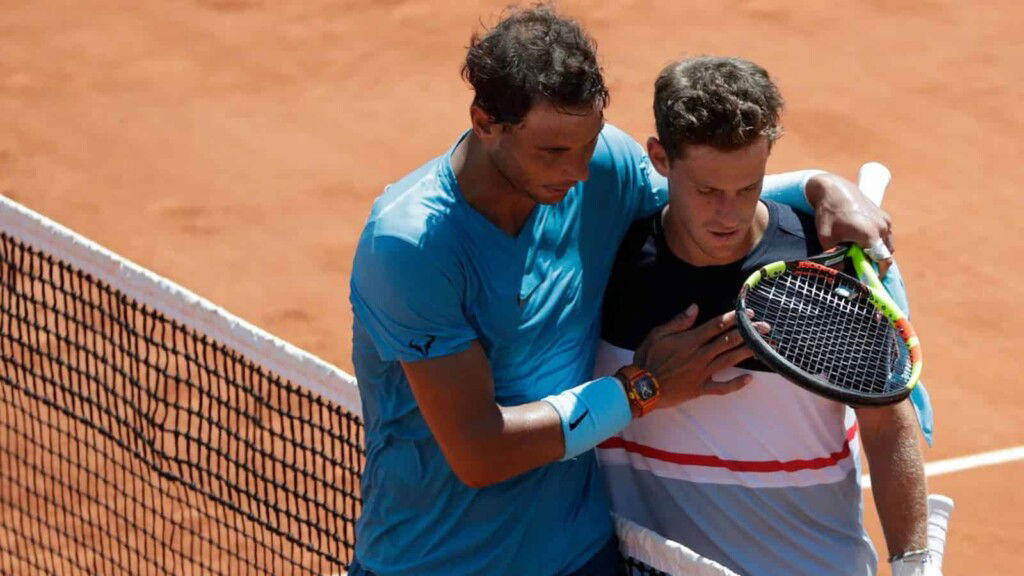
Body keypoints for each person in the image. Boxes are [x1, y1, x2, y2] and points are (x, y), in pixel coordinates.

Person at [348, 6, 895, 576]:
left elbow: (698, 191)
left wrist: (822, 186)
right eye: (552, 152)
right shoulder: (412, 246)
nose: (579, 172)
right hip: (435, 562)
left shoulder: (600, 165)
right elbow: (481, 451)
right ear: (485, 121)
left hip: (581, 555)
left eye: (586, 144)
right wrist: (644, 389)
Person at [595, 56, 932, 576]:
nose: (728, 214)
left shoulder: (822, 269)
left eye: (748, 187)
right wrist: (643, 386)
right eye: (707, 191)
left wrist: (914, 565)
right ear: (660, 159)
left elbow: (888, 427)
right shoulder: (610, 262)